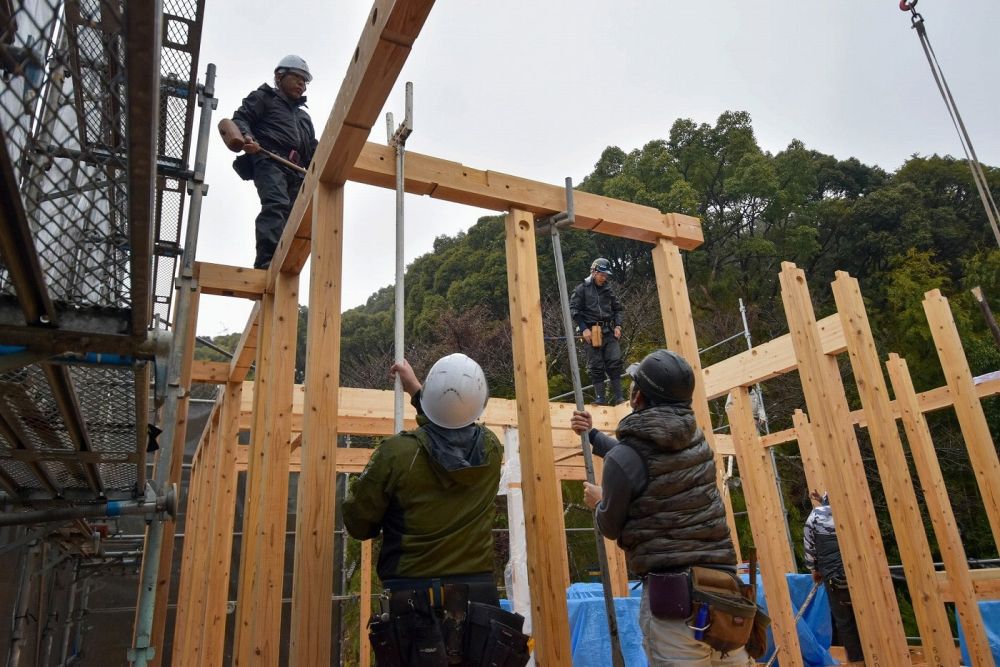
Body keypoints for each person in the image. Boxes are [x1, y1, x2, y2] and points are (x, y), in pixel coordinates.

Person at [570, 350, 755, 666]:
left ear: (638, 396)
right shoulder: (697, 443)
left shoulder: (625, 458)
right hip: (726, 600)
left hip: (676, 607)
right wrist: (594, 437)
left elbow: (611, 525)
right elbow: (645, 462)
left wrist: (600, 501)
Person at [343, 354, 529, 667]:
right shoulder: (491, 448)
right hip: (479, 606)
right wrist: (417, 390)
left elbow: (359, 525)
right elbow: (454, 424)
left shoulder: (396, 454)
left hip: (413, 603)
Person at [231, 55, 319, 269]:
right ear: (280, 76)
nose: (301, 84)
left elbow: (313, 150)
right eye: (297, 77)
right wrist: (246, 137)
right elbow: (240, 119)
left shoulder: (304, 118)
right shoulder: (264, 98)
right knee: (276, 204)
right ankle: (266, 262)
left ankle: (285, 263)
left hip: (297, 170)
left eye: (304, 81)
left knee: (297, 217)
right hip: (269, 158)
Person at [804, 491, 864, 664]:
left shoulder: (815, 516)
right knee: (864, 616)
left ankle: (857, 660)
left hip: (833, 577)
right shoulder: (850, 511)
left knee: (844, 621)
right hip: (858, 574)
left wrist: (814, 569)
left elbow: (810, 547)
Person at [569, 257, 624, 405]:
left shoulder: (608, 289)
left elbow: (618, 309)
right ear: (594, 272)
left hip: (608, 330)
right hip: (591, 331)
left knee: (615, 362)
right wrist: (583, 328)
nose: (604, 277)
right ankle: (600, 398)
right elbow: (573, 309)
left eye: (606, 275)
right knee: (596, 366)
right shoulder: (581, 289)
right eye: (602, 274)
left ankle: (620, 397)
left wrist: (618, 326)